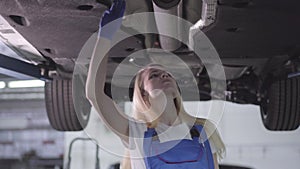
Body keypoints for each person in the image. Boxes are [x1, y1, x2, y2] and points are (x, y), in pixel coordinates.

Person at [86, 0, 225, 168]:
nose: (164, 75)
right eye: (154, 75)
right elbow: (94, 95)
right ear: (143, 93)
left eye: (167, 74)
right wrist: (105, 36)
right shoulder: (136, 133)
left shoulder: (203, 131)